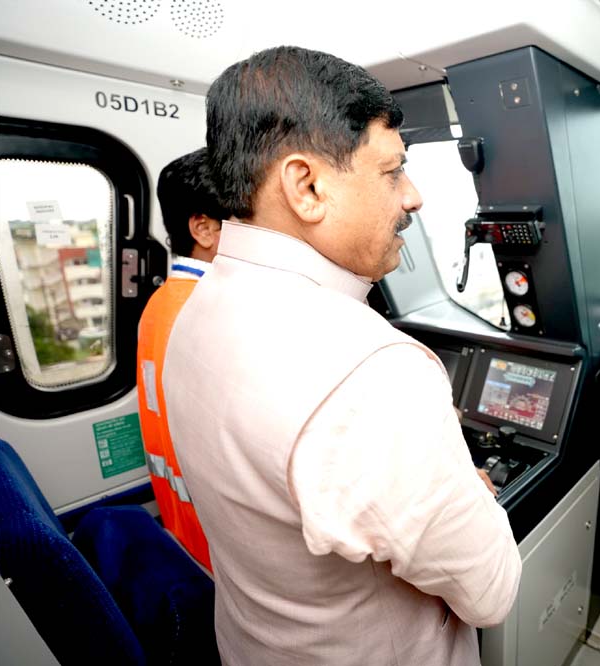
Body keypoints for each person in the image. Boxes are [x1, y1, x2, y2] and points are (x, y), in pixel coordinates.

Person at [162, 46, 522, 665]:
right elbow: (492, 591)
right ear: (306, 187)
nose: (413, 197)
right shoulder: (373, 372)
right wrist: (468, 490)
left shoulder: (196, 309)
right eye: (392, 172)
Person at [136, 148, 228, 572]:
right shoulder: (214, 316)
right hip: (226, 553)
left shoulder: (162, 303)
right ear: (203, 229)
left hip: (184, 533)